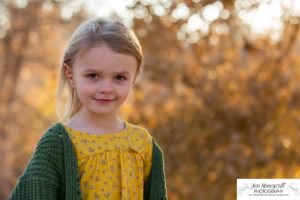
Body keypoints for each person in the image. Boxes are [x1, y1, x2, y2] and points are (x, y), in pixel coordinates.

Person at [9, 18, 167, 200]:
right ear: (71, 75)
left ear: (134, 78)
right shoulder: (58, 143)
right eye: (93, 76)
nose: (106, 88)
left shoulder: (142, 144)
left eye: (120, 78)